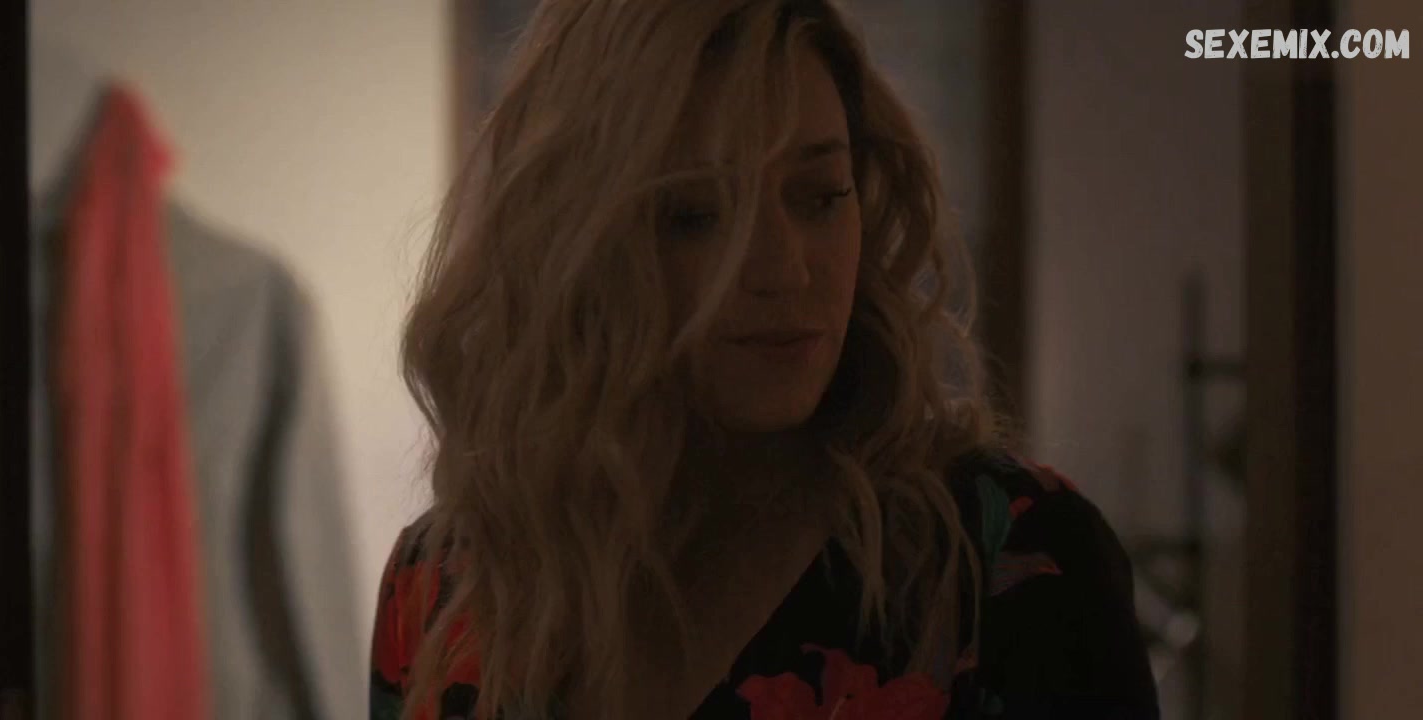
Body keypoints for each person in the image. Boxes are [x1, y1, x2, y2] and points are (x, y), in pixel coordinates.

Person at [371, 1, 1158, 718]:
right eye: (695, 215)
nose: (784, 270)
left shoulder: (1010, 561)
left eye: (819, 196)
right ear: (578, 247)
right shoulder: (445, 586)